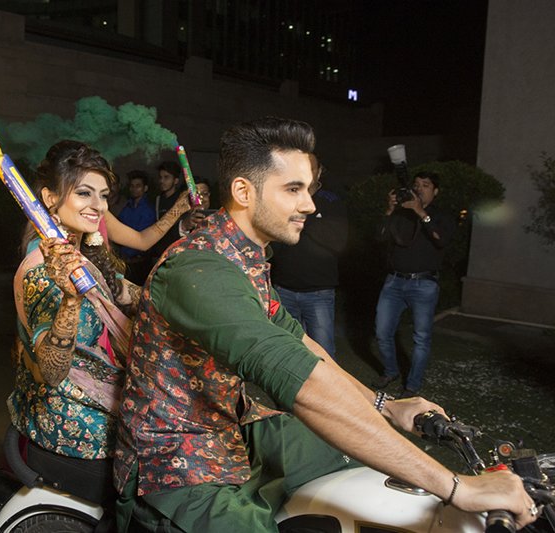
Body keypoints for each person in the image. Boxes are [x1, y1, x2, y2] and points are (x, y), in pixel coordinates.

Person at [113, 118, 535, 532]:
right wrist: (458, 488)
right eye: (293, 189)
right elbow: (304, 385)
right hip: (174, 460)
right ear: (243, 191)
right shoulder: (199, 270)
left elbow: (299, 342)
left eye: (309, 189)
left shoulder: (242, 256)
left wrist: (385, 405)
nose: (310, 204)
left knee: (351, 467)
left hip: (230, 425)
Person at [8, 140, 138, 508]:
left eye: (103, 195)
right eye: (84, 193)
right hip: (67, 412)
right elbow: (52, 371)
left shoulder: (82, 253)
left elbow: (129, 293)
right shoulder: (42, 270)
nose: (98, 206)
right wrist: (69, 300)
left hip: (98, 387)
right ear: (50, 198)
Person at [372, 171, 456, 398]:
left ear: (435, 191)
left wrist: (421, 213)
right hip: (394, 282)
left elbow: (442, 240)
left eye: (426, 185)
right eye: (416, 184)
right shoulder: (402, 214)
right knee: (382, 332)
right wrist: (389, 210)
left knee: (421, 338)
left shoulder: (442, 215)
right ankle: (391, 371)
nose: (419, 188)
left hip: (424, 285)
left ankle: (412, 386)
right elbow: (379, 237)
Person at [269, 159, 348, 358]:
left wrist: (306, 216)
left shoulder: (330, 201)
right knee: (290, 351)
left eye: (310, 166)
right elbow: (274, 241)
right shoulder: (285, 198)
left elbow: (338, 242)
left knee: (323, 354)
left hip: (318, 292)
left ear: (319, 171)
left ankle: (328, 389)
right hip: (284, 289)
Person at [115, 170, 157, 285]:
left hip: (140, 263)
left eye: (138, 186)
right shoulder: (127, 206)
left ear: (145, 188)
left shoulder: (148, 210)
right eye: (132, 186)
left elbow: (144, 237)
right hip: (125, 261)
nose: (134, 189)